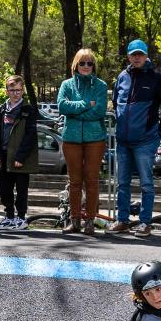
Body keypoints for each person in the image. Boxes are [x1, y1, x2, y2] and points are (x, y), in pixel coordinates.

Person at [107, 39, 161, 237]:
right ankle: (122, 220)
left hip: (146, 141)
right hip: (123, 141)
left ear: (146, 56)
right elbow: (116, 103)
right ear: (128, 56)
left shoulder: (156, 78)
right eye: (133, 54)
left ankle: (145, 222)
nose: (137, 57)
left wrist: (160, 132)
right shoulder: (122, 77)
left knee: (146, 183)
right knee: (122, 183)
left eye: (140, 54)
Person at [57, 47, 109, 235]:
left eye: (89, 63)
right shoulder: (66, 85)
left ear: (94, 66)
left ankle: (90, 221)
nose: (86, 66)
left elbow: (99, 111)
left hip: (95, 139)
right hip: (71, 139)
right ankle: (74, 221)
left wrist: (75, 112)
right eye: (82, 63)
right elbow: (62, 106)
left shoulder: (101, 86)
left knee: (92, 181)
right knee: (75, 181)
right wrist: (86, 104)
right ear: (75, 65)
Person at [0, 75, 38, 230]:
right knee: (4, 188)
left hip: (19, 157)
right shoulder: (1, 110)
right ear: (7, 91)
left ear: (23, 90)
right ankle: (9, 217)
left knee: (21, 189)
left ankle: (21, 217)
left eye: (18, 90)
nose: (15, 93)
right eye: (12, 90)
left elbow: (30, 136)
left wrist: (21, 156)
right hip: (4, 155)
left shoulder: (28, 109)